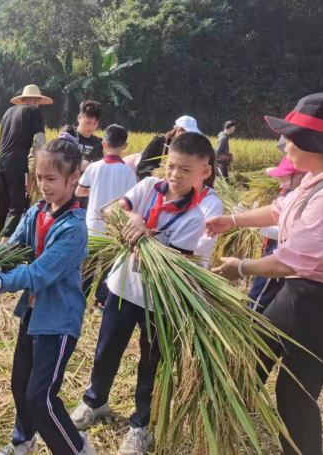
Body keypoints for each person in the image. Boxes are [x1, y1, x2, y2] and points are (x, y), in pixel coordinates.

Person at [208, 93, 323, 455]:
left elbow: (288, 261)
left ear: (313, 144)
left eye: (290, 136)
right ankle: (222, 432)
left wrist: (240, 267)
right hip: (297, 294)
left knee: (295, 397)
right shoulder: (315, 179)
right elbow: (278, 209)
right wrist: (232, 220)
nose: (283, 143)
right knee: (249, 358)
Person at [71, 132, 214, 455]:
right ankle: (95, 401)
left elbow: (167, 264)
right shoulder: (149, 187)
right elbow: (113, 210)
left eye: (185, 170)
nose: (175, 175)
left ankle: (141, 426)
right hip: (122, 288)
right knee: (106, 350)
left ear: (204, 172)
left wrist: (142, 234)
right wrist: (132, 216)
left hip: (160, 302)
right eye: (172, 166)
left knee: (151, 363)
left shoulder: (197, 215)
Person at [0, 134, 96, 455]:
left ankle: (75, 449)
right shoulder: (38, 211)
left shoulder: (73, 228)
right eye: (39, 178)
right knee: (20, 385)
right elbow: (16, 244)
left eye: (51, 179)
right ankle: (23, 441)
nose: (44, 186)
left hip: (58, 320)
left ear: (74, 178)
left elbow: (39, 274)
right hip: (33, 314)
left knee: (42, 397)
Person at [75, 124, 137, 312]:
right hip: (114, 229)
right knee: (109, 268)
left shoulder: (94, 167)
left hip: (92, 226)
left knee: (86, 267)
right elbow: (133, 200)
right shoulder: (128, 172)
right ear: (124, 146)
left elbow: (79, 190)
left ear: (103, 144)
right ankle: (102, 302)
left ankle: (78, 301)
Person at [248, 157, 306, 312]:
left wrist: (260, 227)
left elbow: (291, 233)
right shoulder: (289, 193)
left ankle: (250, 325)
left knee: (260, 296)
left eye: (283, 176)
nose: (280, 181)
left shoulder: (305, 201)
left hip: (278, 256)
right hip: (271, 251)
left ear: (299, 176)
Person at [0, 85, 52, 242]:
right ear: (36, 99)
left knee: (4, 207)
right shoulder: (34, 112)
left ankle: (0, 241)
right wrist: (41, 161)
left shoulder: (8, 112)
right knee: (18, 207)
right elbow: (40, 141)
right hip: (17, 165)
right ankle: (3, 249)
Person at [136, 115, 203, 181]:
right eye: (188, 134)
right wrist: (157, 175)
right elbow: (143, 166)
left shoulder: (187, 149)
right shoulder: (158, 142)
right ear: (179, 130)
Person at [73, 101, 103, 210]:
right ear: (79, 118)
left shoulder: (98, 143)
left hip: (86, 194)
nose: (91, 127)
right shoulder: (68, 137)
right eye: (88, 122)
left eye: (95, 124)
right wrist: (78, 164)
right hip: (67, 191)